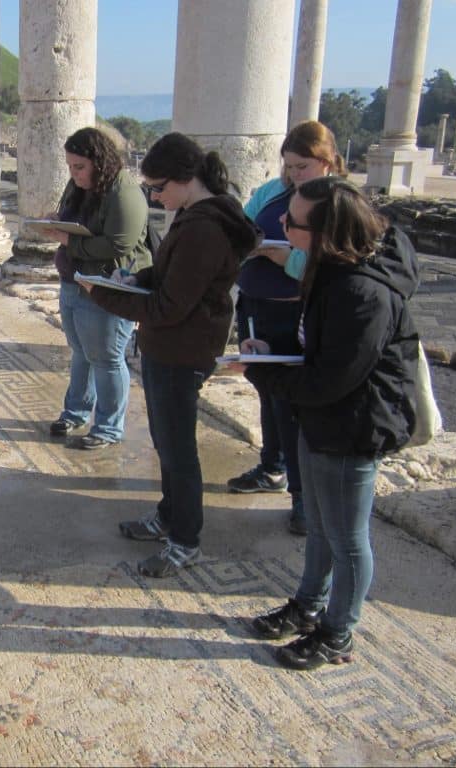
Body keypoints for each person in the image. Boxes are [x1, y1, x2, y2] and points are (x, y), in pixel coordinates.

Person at [242, 176, 418, 670]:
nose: (280, 224)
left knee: (346, 538)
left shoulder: (364, 293)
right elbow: (314, 351)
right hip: (320, 420)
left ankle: (338, 631)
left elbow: (330, 381)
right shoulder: (331, 272)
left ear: (324, 234)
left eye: (291, 221)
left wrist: (262, 372)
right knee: (319, 526)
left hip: (351, 427)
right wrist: (273, 353)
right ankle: (307, 604)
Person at [82, 132, 259, 576]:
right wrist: (134, 280)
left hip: (183, 349)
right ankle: (167, 517)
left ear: (187, 178)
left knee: (179, 451)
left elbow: (169, 306)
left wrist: (102, 295)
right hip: (172, 345)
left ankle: (185, 540)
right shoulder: (193, 215)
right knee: (165, 442)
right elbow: (165, 276)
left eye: (159, 187)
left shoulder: (205, 228)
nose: (155, 197)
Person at [227, 121, 346, 536]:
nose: (294, 175)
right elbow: (241, 228)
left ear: (327, 162)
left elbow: (337, 262)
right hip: (257, 305)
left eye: (303, 167)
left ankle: (303, 499)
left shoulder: (339, 203)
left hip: (298, 311)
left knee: (293, 406)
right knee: (266, 388)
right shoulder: (271, 192)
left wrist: (285, 260)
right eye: (290, 166)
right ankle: (271, 465)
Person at [42, 127, 152, 450]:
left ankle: (107, 427)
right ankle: (75, 412)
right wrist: (58, 221)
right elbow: (74, 219)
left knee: (106, 357)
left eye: (79, 167)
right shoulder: (79, 185)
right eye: (70, 167)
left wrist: (68, 240)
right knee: (81, 352)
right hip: (74, 281)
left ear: (99, 162)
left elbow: (120, 243)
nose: (74, 174)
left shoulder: (124, 191)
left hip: (106, 287)